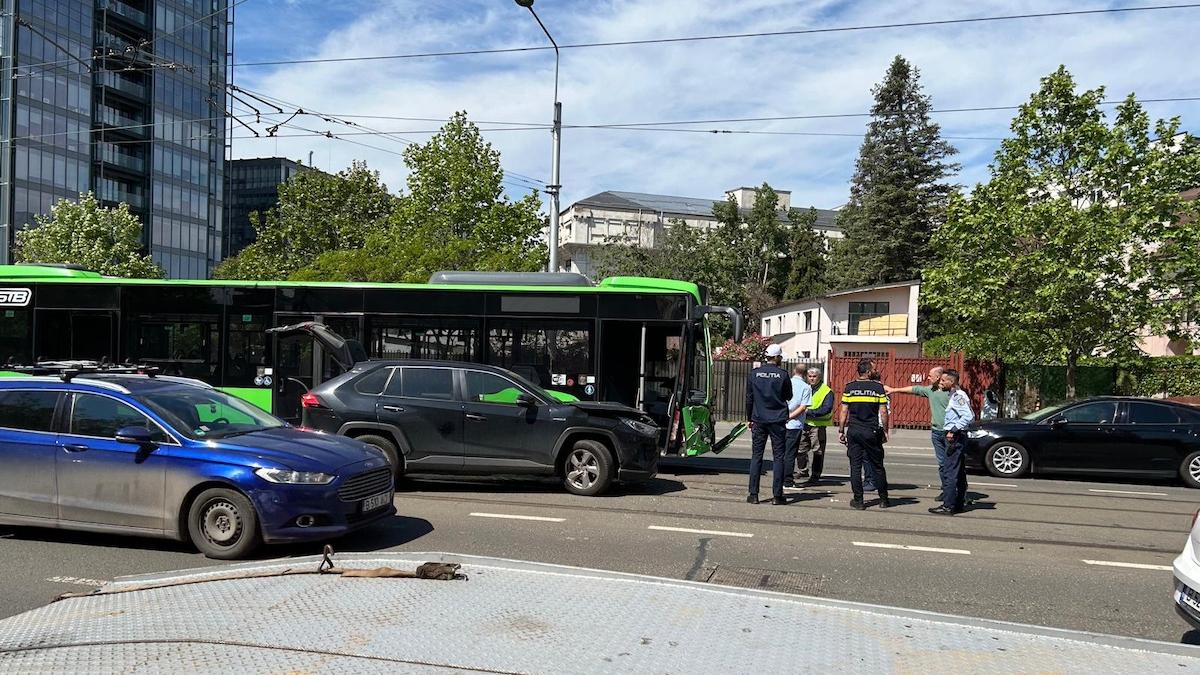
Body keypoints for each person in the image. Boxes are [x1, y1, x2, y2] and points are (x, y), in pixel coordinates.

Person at [886, 366, 948, 499]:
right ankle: (947, 490)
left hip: (951, 433)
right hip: (937, 432)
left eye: (930, 376)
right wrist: (894, 390)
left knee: (954, 463)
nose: (928, 377)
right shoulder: (931, 390)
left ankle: (961, 492)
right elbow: (914, 389)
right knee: (942, 464)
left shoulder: (951, 393)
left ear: (938, 377)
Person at [839, 358, 891, 510]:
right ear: (868, 372)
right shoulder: (878, 388)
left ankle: (859, 501)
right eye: (873, 369)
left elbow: (843, 411)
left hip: (854, 431)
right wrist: (885, 431)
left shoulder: (849, 387)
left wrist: (841, 430)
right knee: (877, 466)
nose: (875, 371)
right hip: (871, 431)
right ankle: (883, 499)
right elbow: (883, 412)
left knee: (855, 466)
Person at [745, 343, 793, 505]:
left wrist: (749, 418)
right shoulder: (783, 374)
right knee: (779, 457)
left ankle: (753, 494)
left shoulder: (754, 374)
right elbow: (789, 395)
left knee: (756, 456)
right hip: (777, 420)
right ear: (778, 357)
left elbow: (749, 398)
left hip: (758, 419)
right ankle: (777, 496)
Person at [929, 369, 974, 515]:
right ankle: (959, 503)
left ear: (951, 382)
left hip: (955, 438)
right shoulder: (954, 395)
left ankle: (948, 505)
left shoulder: (958, 396)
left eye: (943, 381)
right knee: (959, 471)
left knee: (950, 471)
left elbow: (968, 416)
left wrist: (953, 430)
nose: (940, 383)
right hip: (956, 436)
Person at [798, 367, 833, 485]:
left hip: (818, 426)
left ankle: (816, 475)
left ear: (819, 377)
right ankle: (803, 470)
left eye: (814, 376)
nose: (812, 379)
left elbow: (826, 409)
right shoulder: (805, 388)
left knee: (818, 451)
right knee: (800, 449)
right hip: (804, 424)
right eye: (810, 376)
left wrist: (809, 412)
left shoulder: (826, 391)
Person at [783, 364, 812, 488]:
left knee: (780, 452)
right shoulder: (806, 387)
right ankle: (788, 481)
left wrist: (782, 416)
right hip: (795, 424)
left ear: (794, 371)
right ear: (805, 374)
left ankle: (779, 478)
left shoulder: (785, 383)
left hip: (780, 422)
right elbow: (803, 407)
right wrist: (790, 416)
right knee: (790, 454)